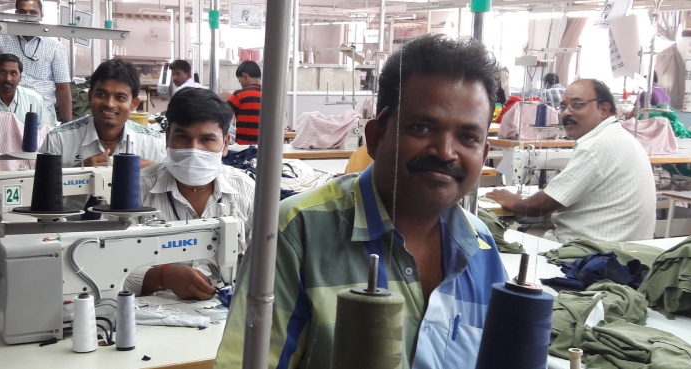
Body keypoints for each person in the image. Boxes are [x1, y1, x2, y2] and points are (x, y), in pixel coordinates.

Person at [215, 34, 507, 368]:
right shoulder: (296, 235)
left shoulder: (482, 247)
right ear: (376, 136)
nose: (445, 151)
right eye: (422, 128)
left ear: (483, 153)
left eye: (468, 137)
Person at [123, 88, 256, 300]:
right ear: (167, 138)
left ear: (226, 144)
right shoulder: (135, 192)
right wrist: (162, 277)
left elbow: (271, 261)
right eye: (183, 137)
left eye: (207, 139)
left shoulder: (246, 190)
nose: (194, 149)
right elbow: (103, 269)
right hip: (153, 318)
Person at [487, 79, 656, 243]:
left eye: (577, 104)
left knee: (493, 247)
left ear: (604, 109)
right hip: (625, 251)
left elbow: (542, 206)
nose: (566, 113)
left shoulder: (594, 146)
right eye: (563, 107)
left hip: (591, 256)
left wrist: (514, 202)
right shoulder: (619, 137)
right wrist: (560, 187)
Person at [40, 59, 165, 168]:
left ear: (134, 103)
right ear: (90, 96)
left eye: (120, 97)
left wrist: (156, 171)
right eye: (101, 94)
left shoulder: (154, 145)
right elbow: (39, 190)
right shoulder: (57, 140)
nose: (110, 104)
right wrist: (76, 173)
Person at [0, 0, 72, 123]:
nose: (27, 17)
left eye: (33, 13)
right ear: (15, 14)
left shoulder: (55, 47)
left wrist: (69, 124)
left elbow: (62, 88)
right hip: (8, 113)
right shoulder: (3, 40)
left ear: (41, 14)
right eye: (22, 12)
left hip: (43, 116)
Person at [0, 53, 55, 126]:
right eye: (3, 72)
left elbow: (48, 131)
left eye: (13, 73)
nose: (8, 79)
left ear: (20, 78)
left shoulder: (34, 99)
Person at [227, 61, 262, 144]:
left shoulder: (239, 95)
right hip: (267, 149)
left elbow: (223, 117)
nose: (241, 84)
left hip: (243, 149)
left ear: (244, 76)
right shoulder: (271, 96)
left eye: (240, 80)